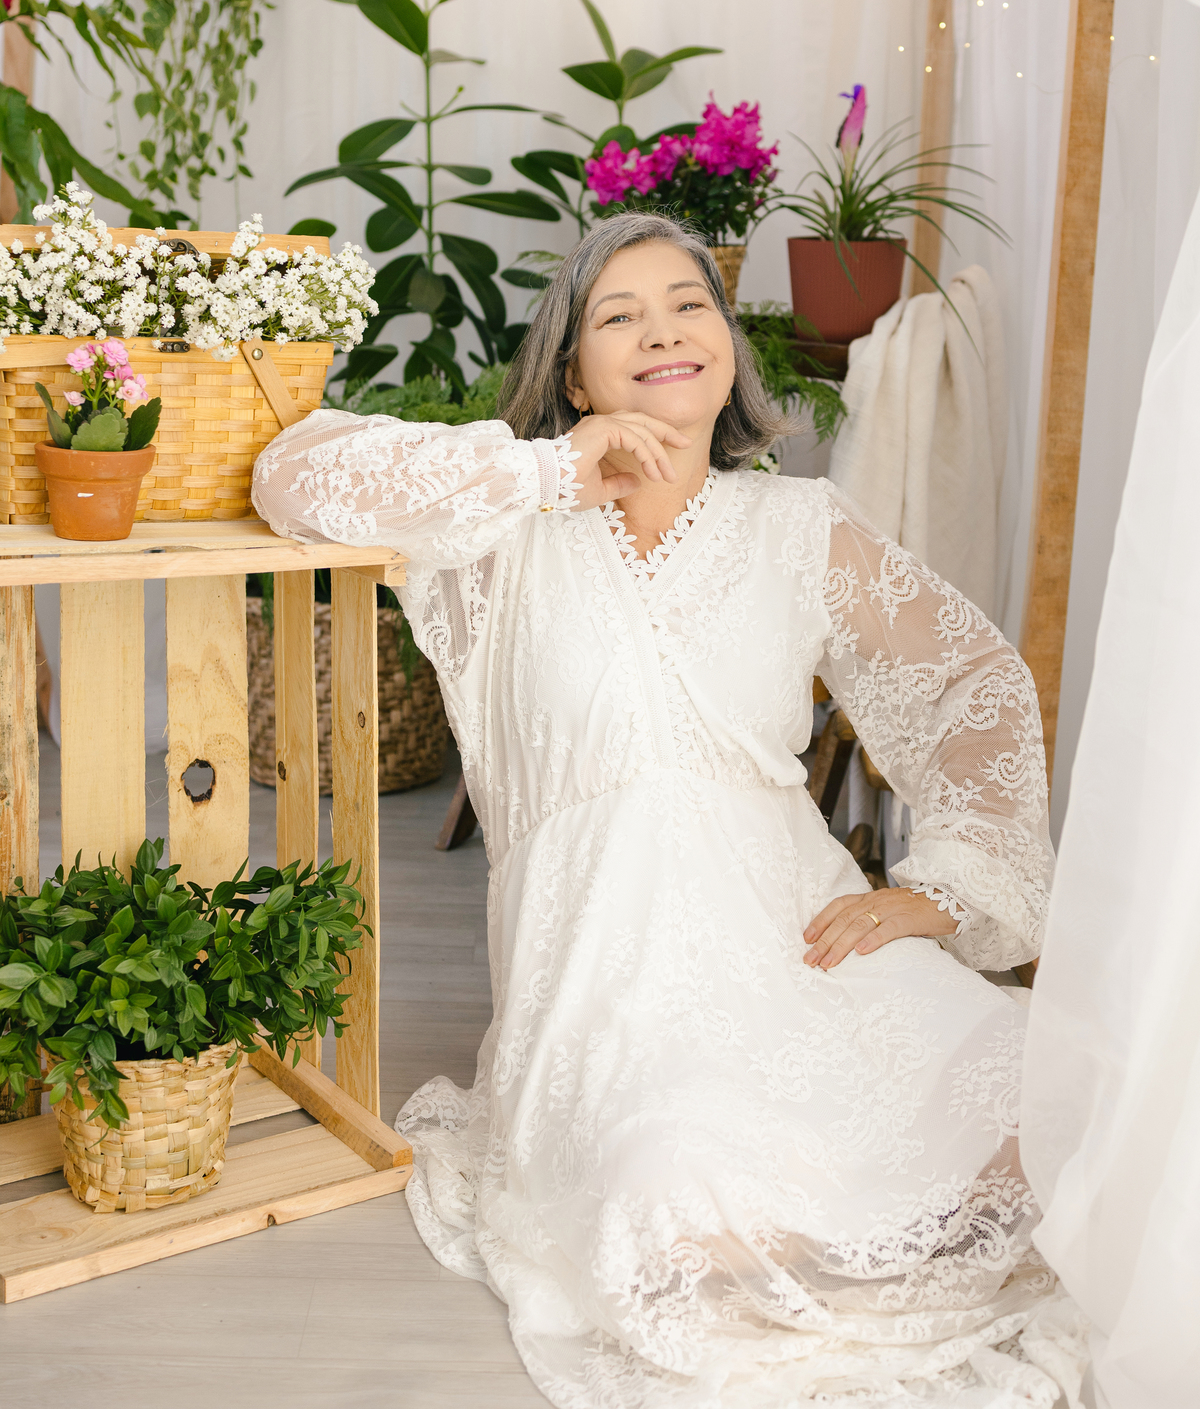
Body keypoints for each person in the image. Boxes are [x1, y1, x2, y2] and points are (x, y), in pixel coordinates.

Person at [252, 214, 1085, 1408]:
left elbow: (971, 684)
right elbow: (293, 472)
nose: (663, 332)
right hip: (608, 988)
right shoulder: (496, 537)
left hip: (802, 935)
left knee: (1050, 1094)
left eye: (688, 303)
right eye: (618, 315)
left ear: (729, 344)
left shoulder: (798, 528)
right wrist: (544, 470)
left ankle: (857, 1238)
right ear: (573, 366)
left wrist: (943, 890)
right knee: (671, 1203)